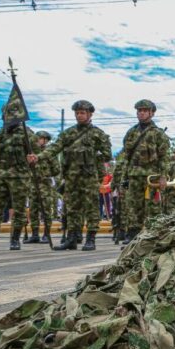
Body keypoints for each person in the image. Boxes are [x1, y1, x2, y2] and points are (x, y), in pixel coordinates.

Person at [28, 100, 112, 251]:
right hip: (71, 178)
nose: (79, 115)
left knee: (91, 207)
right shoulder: (68, 133)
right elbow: (54, 148)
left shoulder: (97, 134)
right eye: (77, 113)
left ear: (90, 114)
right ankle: (71, 239)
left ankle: (90, 239)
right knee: (72, 208)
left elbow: (107, 155)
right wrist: (38, 157)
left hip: (89, 176)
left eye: (83, 113)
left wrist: (91, 158)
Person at [0, 103, 36, 250]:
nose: (7, 116)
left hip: (19, 177)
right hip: (0, 175)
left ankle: (15, 239)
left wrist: (34, 157)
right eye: (5, 113)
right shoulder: (0, 133)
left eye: (11, 113)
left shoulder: (27, 133)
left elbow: (36, 154)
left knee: (19, 209)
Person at [119, 100, 170, 244]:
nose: (141, 113)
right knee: (133, 206)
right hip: (134, 175)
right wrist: (124, 178)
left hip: (151, 177)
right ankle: (133, 235)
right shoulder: (131, 133)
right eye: (139, 110)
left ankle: (153, 236)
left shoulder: (158, 134)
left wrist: (163, 177)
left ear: (152, 113)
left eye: (144, 110)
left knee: (152, 208)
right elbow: (126, 158)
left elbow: (164, 157)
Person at [25, 131, 60, 244]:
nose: (43, 141)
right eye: (40, 138)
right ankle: (35, 234)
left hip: (45, 183)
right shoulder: (30, 153)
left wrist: (46, 173)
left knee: (45, 209)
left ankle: (46, 234)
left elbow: (56, 169)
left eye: (45, 139)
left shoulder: (50, 153)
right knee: (33, 209)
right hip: (32, 183)